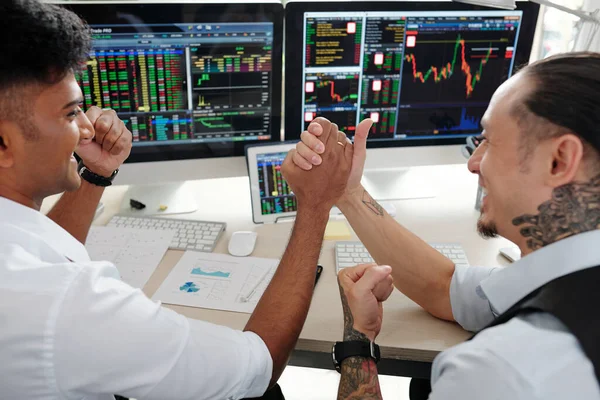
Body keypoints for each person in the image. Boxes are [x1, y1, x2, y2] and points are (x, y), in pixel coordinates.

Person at [0, 1, 386, 399]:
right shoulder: (74, 308)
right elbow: (259, 365)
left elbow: (45, 256)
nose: (85, 128)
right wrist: (315, 205)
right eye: (69, 114)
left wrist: (96, 175)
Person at [293, 52, 600, 399]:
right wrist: (347, 192)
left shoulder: (502, 371)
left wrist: (358, 341)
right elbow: (443, 287)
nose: (473, 162)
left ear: (559, 161)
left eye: (488, 140)